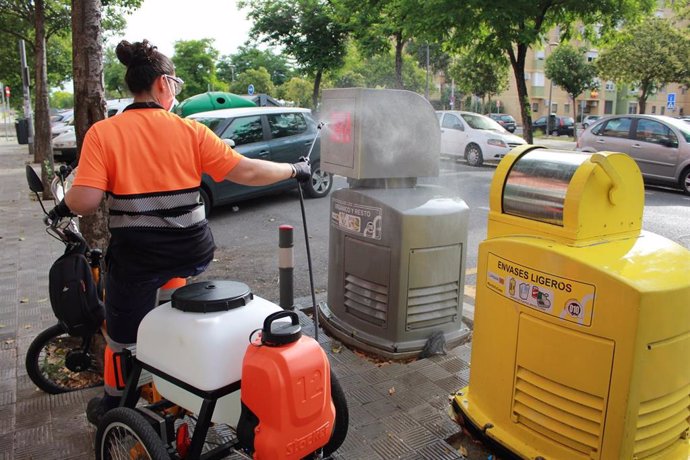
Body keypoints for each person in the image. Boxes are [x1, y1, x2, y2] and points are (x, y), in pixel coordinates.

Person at [47, 39, 311, 425]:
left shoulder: (105, 133)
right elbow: (249, 171)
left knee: (121, 338)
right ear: (162, 84)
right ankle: (175, 377)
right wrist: (295, 170)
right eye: (177, 85)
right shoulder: (191, 132)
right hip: (191, 252)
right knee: (172, 310)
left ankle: (114, 406)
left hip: (137, 260)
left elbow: (85, 200)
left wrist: (63, 203)